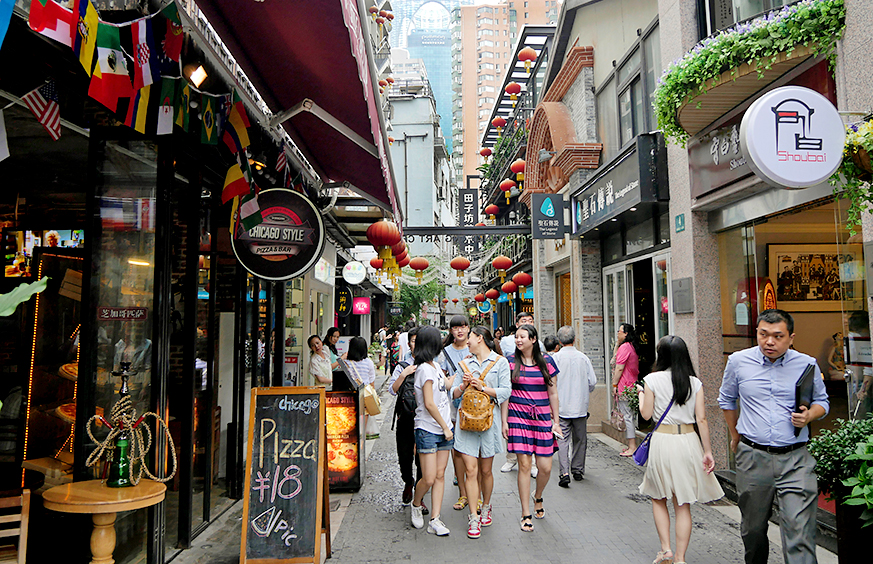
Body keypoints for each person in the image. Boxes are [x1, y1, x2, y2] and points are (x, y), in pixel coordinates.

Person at [718, 309, 829, 564]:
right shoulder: (738, 361)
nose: (769, 341)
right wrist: (735, 435)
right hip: (753, 456)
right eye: (763, 334)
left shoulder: (807, 363)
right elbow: (727, 400)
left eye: (778, 336)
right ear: (756, 333)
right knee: (753, 529)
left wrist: (809, 415)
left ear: (791, 337)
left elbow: (822, 402)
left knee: (799, 531)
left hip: (796, 458)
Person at [638, 336, 724, 564]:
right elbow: (702, 419)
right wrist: (708, 451)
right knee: (682, 503)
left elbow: (646, 415)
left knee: (658, 497)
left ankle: (666, 549)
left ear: (661, 355)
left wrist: (640, 396)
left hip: (663, 441)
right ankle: (680, 558)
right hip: (688, 441)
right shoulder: (694, 383)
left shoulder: (652, 380)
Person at [450, 326, 511, 539]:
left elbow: (506, 391)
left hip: (488, 423)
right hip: (466, 423)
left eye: (471, 338)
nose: (467, 341)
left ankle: (486, 506)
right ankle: (474, 517)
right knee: (471, 470)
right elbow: (454, 392)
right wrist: (464, 385)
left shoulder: (500, 362)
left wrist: (483, 387)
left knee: (486, 471)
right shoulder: (464, 363)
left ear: (480, 339)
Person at [501, 324, 561, 532]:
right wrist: (504, 421)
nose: (518, 340)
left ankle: (538, 496)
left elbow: (553, 393)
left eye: (522, 337)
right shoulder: (509, 362)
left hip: (543, 418)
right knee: (524, 466)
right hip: (518, 418)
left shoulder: (547, 361)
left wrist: (556, 421)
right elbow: (505, 394)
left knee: (545, 467)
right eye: (516, 337)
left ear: (533, 339)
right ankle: (525, 513)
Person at [410, 326, 454, 536]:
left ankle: (435, 519)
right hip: (428, 429)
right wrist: (445, 427)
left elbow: (446, 385)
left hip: (444, 428)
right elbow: (429, 403)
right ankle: (416, 503)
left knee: (439, 475)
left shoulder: (435, 365)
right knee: (428, 478)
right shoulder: (423, 370)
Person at [551, 325, 597, 487]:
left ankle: (564, 472)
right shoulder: (583, 358)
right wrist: (584, 391)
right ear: (574, 339)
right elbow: (592, 382)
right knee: (580, 439)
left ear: (559, 341)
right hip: (580, 406)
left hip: (561, 407)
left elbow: (549, 383)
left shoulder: (555, 359)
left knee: (562, 440)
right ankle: (577, 469)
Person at [389, 326, 426, 509]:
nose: (416, 344)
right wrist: (404, 374)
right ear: (409, 343)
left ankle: (420, 495)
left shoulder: (432, 365)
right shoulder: (402, 366)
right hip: (405, 416)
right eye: (413, 341)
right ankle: (408, 481)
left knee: (423, 457)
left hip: (426, 419)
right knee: (404, 455)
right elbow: (392, 390)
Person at [439, 315, 472, 512]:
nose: (460, 330)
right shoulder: (444, 352)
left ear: (468, 329)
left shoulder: (475, 347)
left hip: (475, 406)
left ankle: (475, 491)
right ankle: (463, 493)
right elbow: (441, 378)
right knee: (457, 450)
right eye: (455, 328)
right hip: (453, 404)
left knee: (474, 452)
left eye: (463, 327)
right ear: (450, 331)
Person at [500, 311, 537, 475]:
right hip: (515, 392)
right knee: (513, 431)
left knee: (533, 432)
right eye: (524, 320)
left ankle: (533, 464)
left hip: (533, 398)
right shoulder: (507, 342)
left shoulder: (538, 345)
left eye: (530, 320)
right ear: (516, 325)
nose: (528, 322)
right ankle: (511, 459)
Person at [612, 323, 640, 456]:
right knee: (629, 416)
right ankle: (631, 445)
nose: (617, 333)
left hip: (625, 386)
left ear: (626, 334)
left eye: (620, 331)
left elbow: (618, 367)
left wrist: (614, 385)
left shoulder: (625, 347)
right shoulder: (630, 347)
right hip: (630, 384)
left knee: (627, 416)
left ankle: (632, 446)